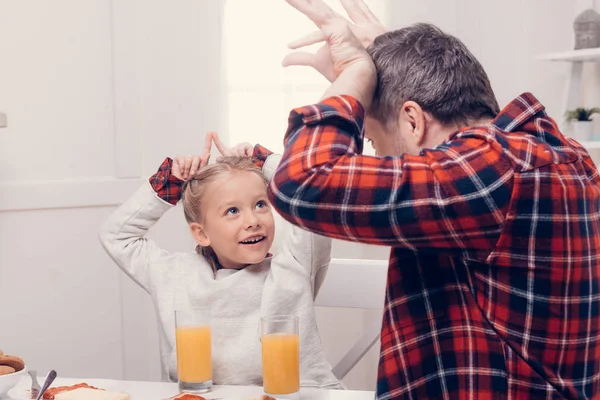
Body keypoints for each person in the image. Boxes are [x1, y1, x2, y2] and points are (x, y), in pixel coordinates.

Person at [268, 0, 600, 398]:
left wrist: (355, 76)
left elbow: (302, 180)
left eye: (373, 142)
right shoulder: (554, 155)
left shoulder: (491, 173)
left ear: (413, 120)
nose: (376, 159)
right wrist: (391, 57)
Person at [98, 133, 340, 388]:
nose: (253, 221)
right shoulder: (174, 275)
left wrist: (264, 163)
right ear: (201, 233)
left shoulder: (295, 266)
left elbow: (315, 197)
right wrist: (171, 182)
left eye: (260, 204)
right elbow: (116, 236)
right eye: (232, 211)